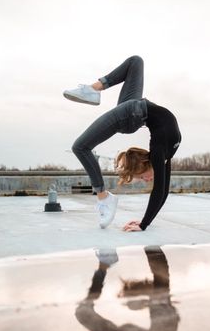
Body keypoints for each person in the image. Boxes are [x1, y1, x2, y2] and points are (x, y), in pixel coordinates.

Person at [63, 55, 181, 231]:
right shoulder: (161, 154)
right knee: (136, 61)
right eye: (143, 177)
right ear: (143, 163)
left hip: (132, 113)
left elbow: (161, 191)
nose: (147, 179)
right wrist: (144, 223)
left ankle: (103, 197)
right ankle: (93, 89)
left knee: (80, 147)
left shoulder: (160, 153)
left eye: (142, 178)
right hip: (133, 111)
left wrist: (144, 224)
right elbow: (161, 192)